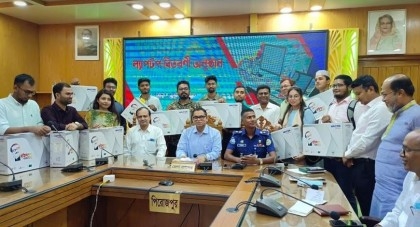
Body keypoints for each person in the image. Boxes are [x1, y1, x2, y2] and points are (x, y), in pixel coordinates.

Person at [371, 74, 420, 219]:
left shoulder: (417, 114)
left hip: (397, 190)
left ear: (400, 93)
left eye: (385, 94)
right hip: (381, 188)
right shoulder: (398, 113)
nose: (383, 99)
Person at [342, 75, 392, 216]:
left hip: (367, 164)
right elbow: (358, 134)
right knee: (362, 205)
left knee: (367, 205)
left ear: (371, 89)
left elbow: (368, 140)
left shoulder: (381, 108)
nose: (357, 98)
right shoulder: (366, 108)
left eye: (359, 93)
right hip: (358, 161)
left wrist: (348, 154)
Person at [321, 74, 358, 213]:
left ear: (349, 87)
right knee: (330, 191)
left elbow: (357, 131)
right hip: (329, 156)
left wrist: (349, 154)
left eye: (340, 85)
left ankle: (353, 223)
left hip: (345, 158)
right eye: (334, 86)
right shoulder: (330, 105)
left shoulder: (354, 106)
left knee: (346, 194)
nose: (336, 88)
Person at [376, 129, 420, 227]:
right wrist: (382, 225)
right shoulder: (411, 175)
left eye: (407, 150)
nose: (401, 154)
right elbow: (399, 210)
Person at [166, 80, 201, 157]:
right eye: (181, 89)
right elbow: (167, 124)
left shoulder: (197, 106)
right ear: (177, 91)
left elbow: (201, 122)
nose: (183, 91)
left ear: (189, 91)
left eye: (186, 89)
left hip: (192, 141)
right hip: (174, 142)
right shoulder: (171, 106)